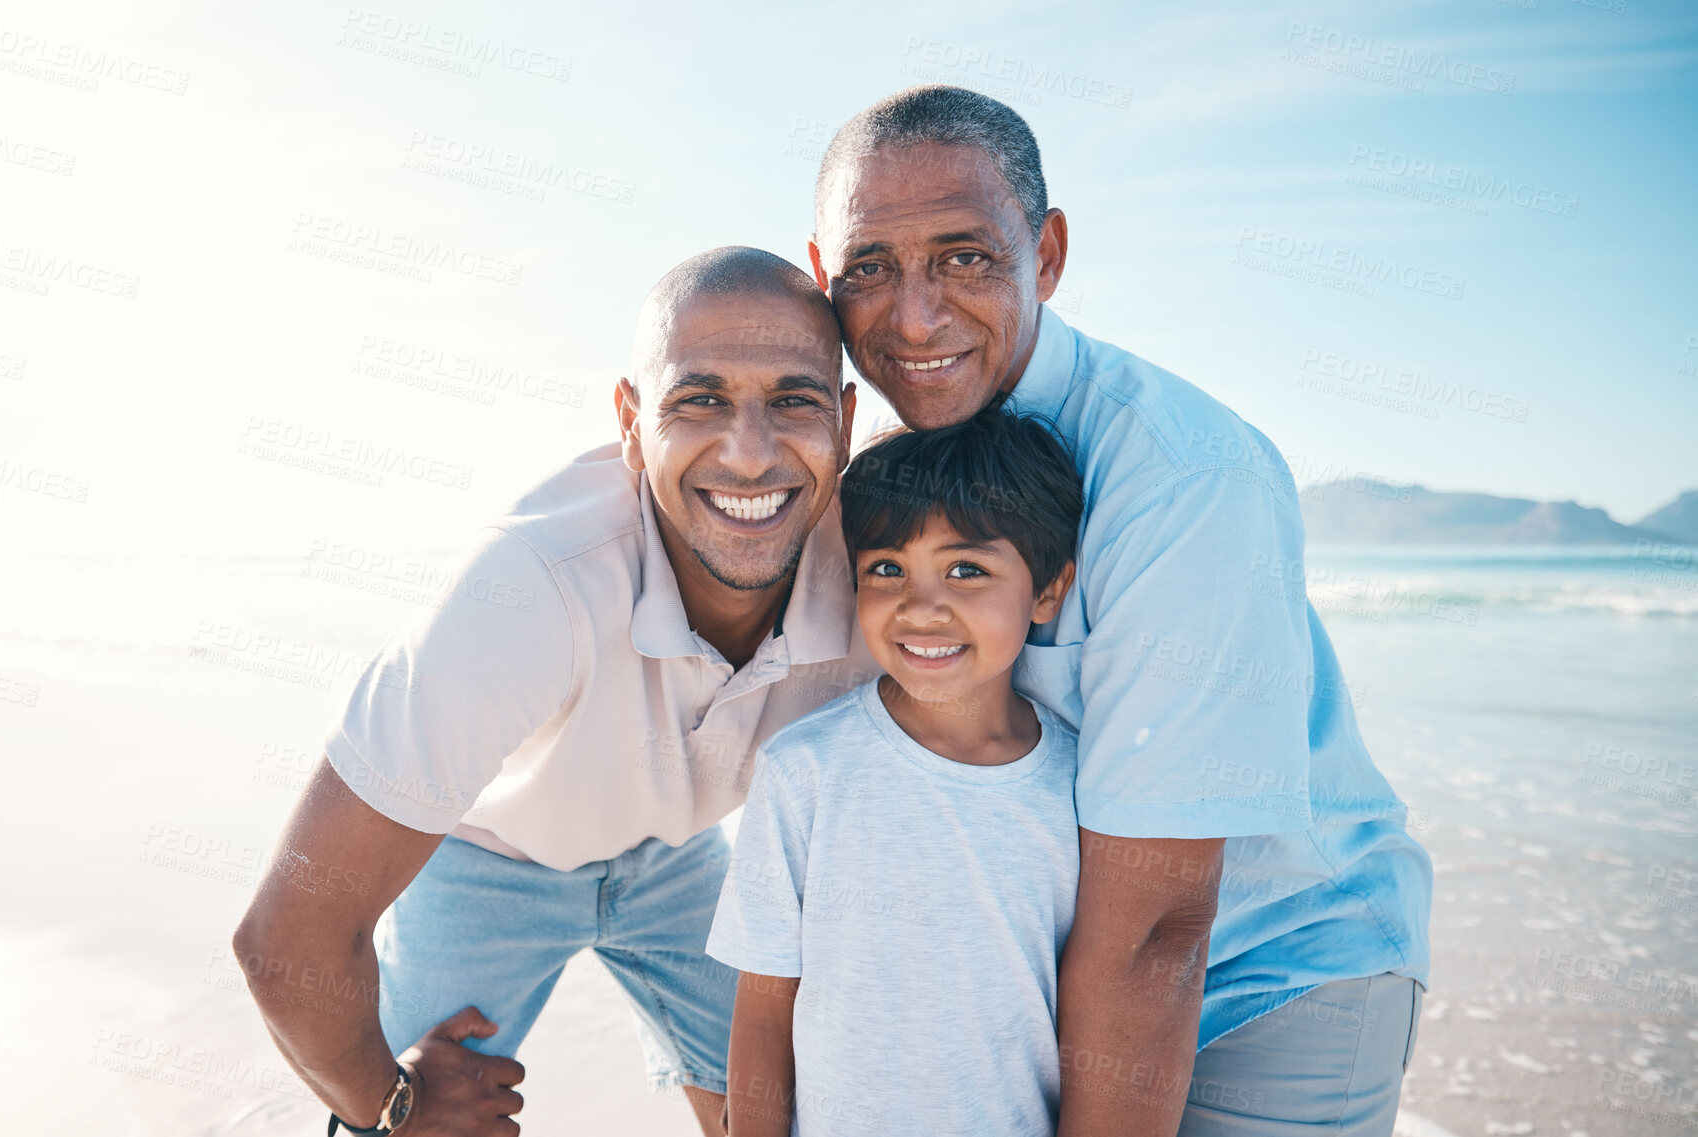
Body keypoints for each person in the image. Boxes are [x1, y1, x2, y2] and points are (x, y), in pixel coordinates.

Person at [805, 85, 1432, 1136]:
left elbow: (1159, 927)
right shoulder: (867, 474)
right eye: (871, 268)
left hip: (1272, 970)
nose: (913, 316)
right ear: (824, 278)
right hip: (1055, 975)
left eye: (965, 257)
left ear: (1046, 255)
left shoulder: (1185, 480)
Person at [232, 246, 879, 1137]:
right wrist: (388, 1103)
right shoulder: (530, 587)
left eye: (795, 399)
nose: (750, 451)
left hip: (674, 855)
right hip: (486, 855)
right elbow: (286, 936)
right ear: (629, 420)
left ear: (845, 419)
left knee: (794, 1111)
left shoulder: (891, 568)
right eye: (700, 399)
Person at [709, 407, 1086, 1136]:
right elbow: (761, 1012)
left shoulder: (1081, 788)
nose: (921, 606)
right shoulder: (803, 770)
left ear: (1047, 590)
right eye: (887, 568)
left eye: (967, 569)